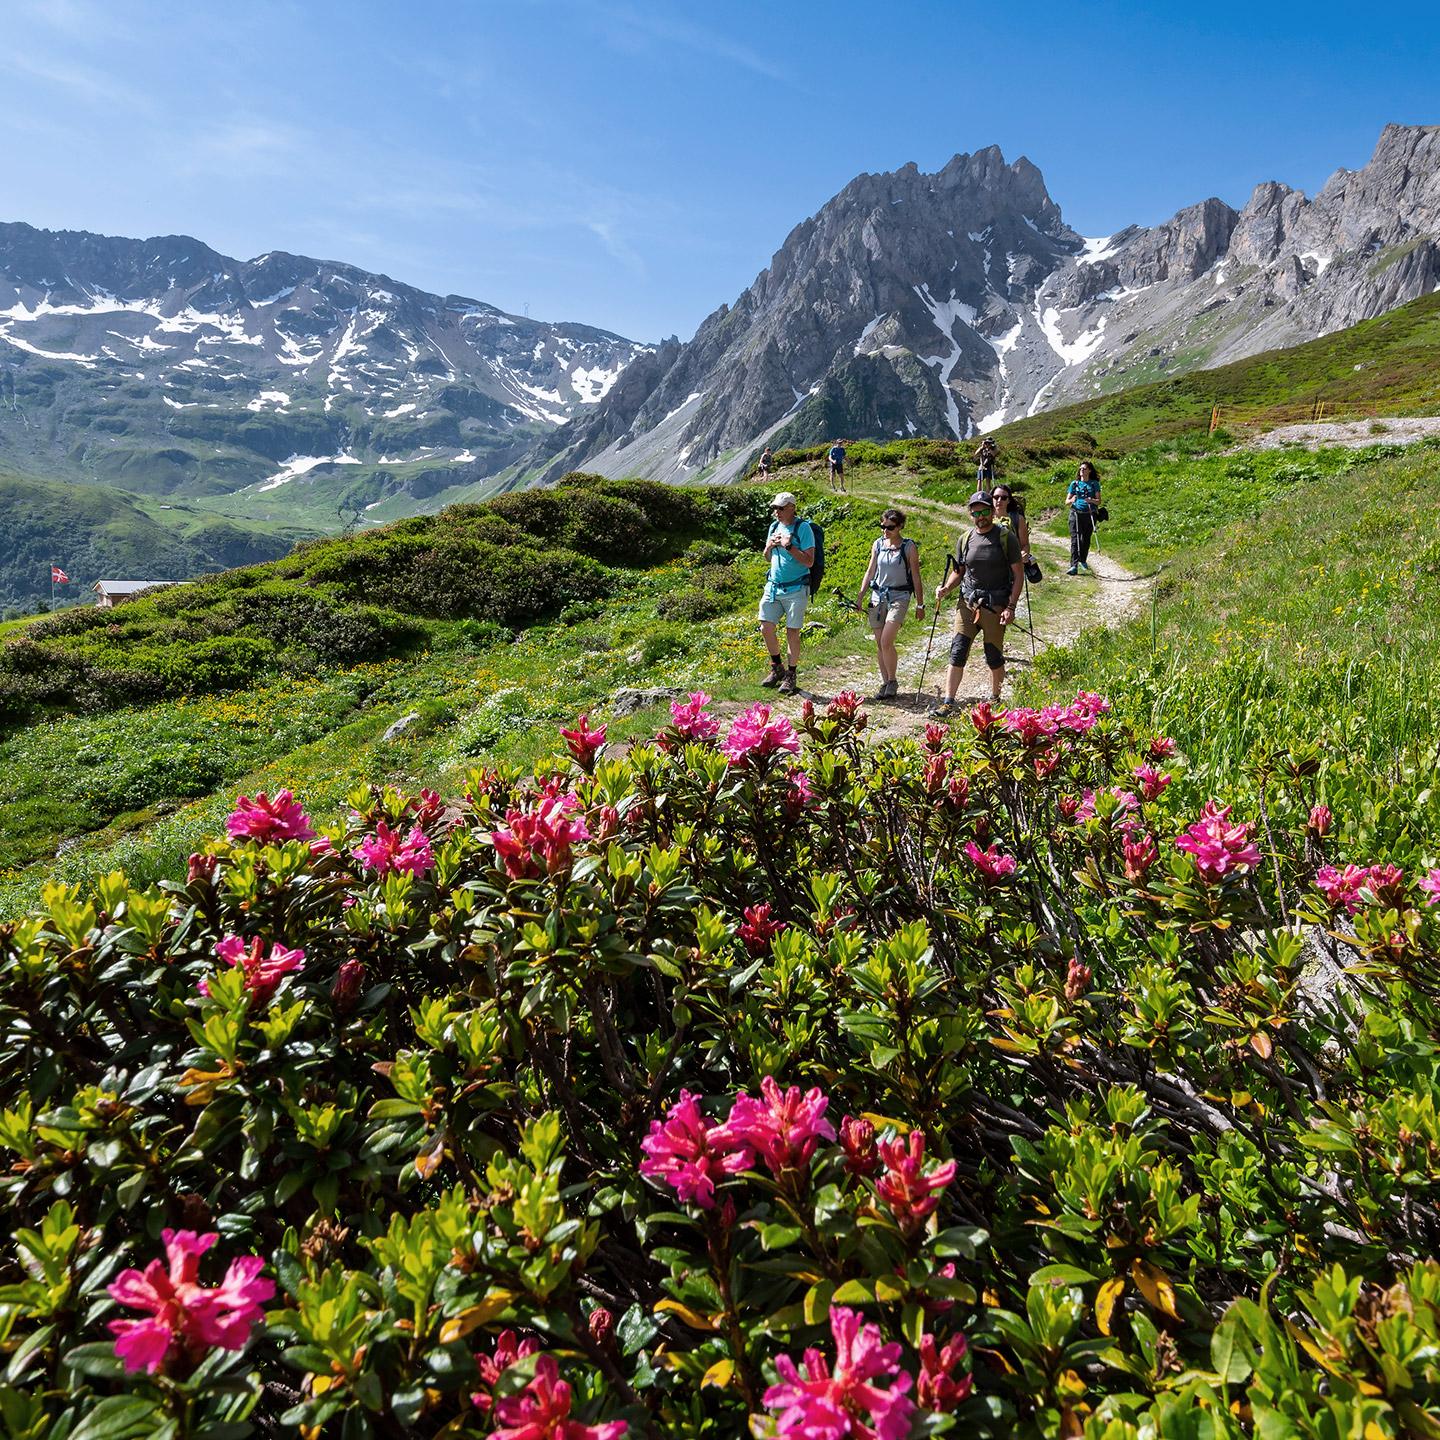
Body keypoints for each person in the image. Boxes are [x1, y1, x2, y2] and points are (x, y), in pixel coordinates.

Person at [932, 490, 1023, 715]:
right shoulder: (965, 539)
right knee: (958, 650)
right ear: (970, 514)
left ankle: (995, 698)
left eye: (984, 511)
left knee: (993, 655)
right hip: (968, 603)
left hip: (995, 604)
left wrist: (1011, 607)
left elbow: (1018, 575)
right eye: (975, 513)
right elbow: (960, 571)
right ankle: (948, 701)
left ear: (992, 512)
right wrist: (946, 588)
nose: (980, 516)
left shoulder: (1005, 538)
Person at [854, 508, 924, 701]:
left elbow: (916, 577)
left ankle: (892, 681)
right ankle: (885, 682)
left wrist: (920, 605)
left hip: (899, 597)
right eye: (883, 526)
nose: (885, 531)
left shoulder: (909, 547)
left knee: (886, 641)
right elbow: (870, 572)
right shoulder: (878, 545)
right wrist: (860, 596)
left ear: (900, 526)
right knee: (880, 643)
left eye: (890, 527)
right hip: (877, 597)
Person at [757, 491, 815, 696]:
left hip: (796, 588)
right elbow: (767, 557)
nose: (776, 512)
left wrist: (789, 546)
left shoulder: (804, 528)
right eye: (775, 508)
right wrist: (769, 547)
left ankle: (791, 674)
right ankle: (777, 667)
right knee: (766, 627)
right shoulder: (774, 527)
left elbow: (809, 561)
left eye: (780, 508)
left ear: (792, 507)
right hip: (773, 586)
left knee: (792, 633)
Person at [1066, 460, 1102, 575]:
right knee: (1075, 539)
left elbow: (1099, 501)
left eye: (1084, 468)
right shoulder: (1074, 484)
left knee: (1085, 539)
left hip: (1089, 514)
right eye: (1081, 468)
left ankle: (1083, 560)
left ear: (1089, 470)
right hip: (1075, 513)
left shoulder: (1094, 484)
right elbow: (1067, 501)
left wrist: (1091, 500)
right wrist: (1072, 500)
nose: (1082, 470)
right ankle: (1074, 565)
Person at [991, 485, 1032, 565]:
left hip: (1012, 566)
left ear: (1009, 500)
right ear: (992, 498)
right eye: (996, 497)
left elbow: (1025, 545)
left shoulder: (1018, 519)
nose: (999, 500)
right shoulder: (986, 518)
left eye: (1004, 498)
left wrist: (1024, 554)